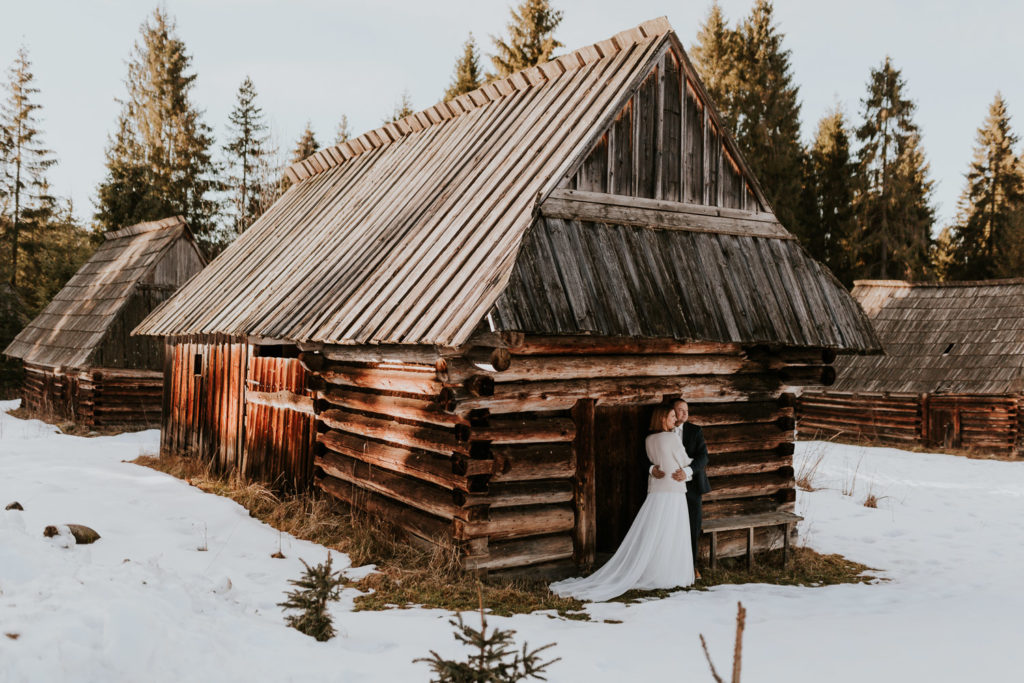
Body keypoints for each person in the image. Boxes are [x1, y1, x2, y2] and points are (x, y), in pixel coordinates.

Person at [550, 405, 695, 601]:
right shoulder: (672, 438)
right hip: (674, 489)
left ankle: (653, 570)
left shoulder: (649, 440)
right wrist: (688, 469)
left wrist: (656, 468)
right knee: (672, 531)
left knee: (655, 531)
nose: (674, 419)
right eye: (671, 416)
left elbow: (653, 460)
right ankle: (669, 573)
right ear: (662, 418)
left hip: (657, 490)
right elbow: (685, 461)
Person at [652, 398, 710, 579]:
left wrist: (687, 471)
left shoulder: (695, 430)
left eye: (687, 410)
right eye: (680, 410)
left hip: (692, 487)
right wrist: (651, 469)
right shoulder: (658, 433)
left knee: (692, 527)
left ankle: (691, 566)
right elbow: (645, 456)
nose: (685, 413)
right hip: (667, 487)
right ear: (672, 412)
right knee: (668, 527)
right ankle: (666, 567)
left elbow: (703, 457)